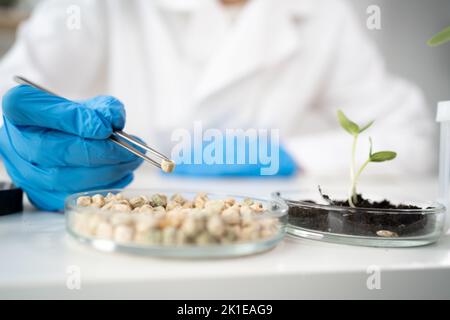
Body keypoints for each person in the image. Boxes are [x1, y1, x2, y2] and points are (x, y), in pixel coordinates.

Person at [0, 0, 434, 210]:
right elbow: (12, 91)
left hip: (264, 238)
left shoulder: (322, 13)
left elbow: (413, 135)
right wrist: (19, 140)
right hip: (120, 218)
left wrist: (290, 155)